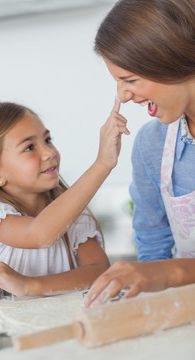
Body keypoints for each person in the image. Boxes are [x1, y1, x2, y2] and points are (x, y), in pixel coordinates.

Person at [82, 0, 195, 308]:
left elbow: (160, 269)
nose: (123, 95)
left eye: (130, 80)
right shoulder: (152, 144)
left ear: (175, 60)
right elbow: (153, 246)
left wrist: (167, 272)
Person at [0, 100, 129, 296]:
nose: (49, 152)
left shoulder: (73, 213)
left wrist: (29, 285)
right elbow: (40, 235)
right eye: (29, 147)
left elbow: (99, 272)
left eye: (47, 140)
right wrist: (102, 164)